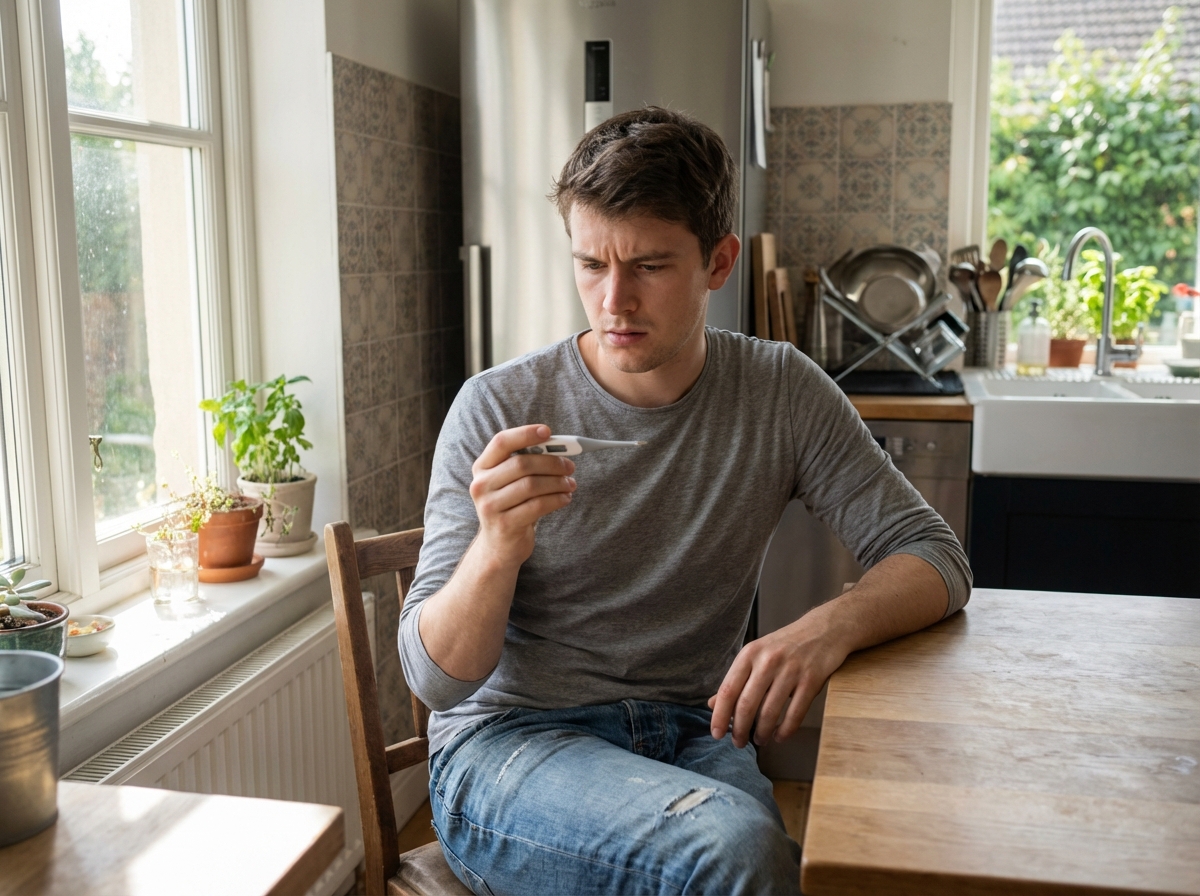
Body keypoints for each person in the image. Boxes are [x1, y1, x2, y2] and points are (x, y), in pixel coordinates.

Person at [399, 106, 971, 895]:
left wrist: (823, 629)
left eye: (650, 266)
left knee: (836, 859)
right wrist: (495, 548)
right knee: (735, 853)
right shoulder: (497, 407)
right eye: (591, 265)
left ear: (719, 262)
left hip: (693, 737)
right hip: (510, 748)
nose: (614, 302)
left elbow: (937, 557)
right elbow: (436, 683)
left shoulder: (780, 391)